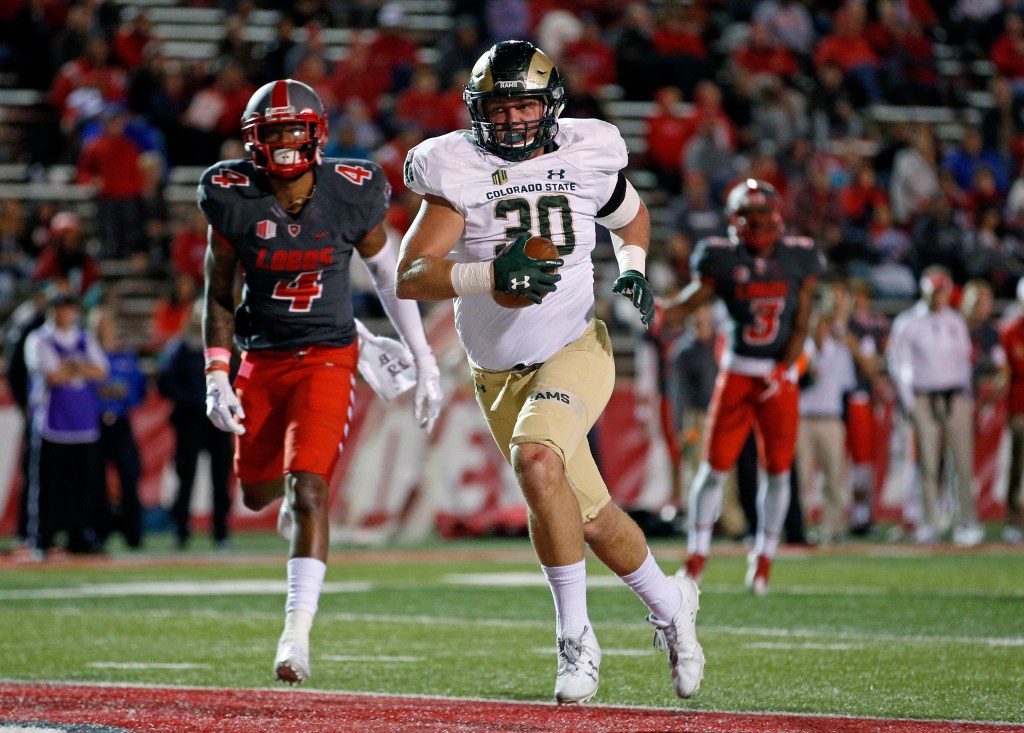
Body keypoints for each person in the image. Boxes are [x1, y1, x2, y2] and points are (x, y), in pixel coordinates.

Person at [395, 40, 704, 705]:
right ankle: (672, 603)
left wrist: (633, 267)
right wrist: (489, 273)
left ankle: (575, 638)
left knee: (537, 461)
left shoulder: (586, 154)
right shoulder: (458, 167)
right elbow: (412, 274)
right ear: (478, 111)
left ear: (551, 104)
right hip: (496, 373)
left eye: (525, 105)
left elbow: (632, 217)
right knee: (590, 516)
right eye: (499, 108)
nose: (511, 120)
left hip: (574, 347)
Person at [198, 78, 443, 686]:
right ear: (254, 140)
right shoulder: (231, 194)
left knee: (310, 490)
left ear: (316, 135)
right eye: (273, 131)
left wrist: (424, 358)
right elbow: (219, 292)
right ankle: (280, 498)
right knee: (257, 494)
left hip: (329, 354)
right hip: (261, 355)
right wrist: (217, 374)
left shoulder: (350, 191)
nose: (284, 142)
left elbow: (390, 276)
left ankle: (295, 635)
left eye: (293, 129)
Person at [660, 178, 823, 594]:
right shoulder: (721, 258)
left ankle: (764, 557)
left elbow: (801, 324)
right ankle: (697, 554)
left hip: (778, 377)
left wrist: (784, 369)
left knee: (779, 470)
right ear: (734, 220)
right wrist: (658, 309)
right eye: (749, 216)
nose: (758, 223)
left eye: (763, 214)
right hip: (737, 373)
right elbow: (689, 303)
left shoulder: (798, 258)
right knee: (713, 467)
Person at [886, 266, 981, 546]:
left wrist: (967, 397)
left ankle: (966, 522)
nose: (939, 297)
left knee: (962, 463)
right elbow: (900, 365)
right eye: (935, 291)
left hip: (955, 396)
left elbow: (964, 360)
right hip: (924, 397)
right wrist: (909, 402)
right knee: (928, 464)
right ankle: (928, 521)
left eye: (943, 291)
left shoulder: (955, 321)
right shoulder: (908, 322)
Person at [23, 292, 109, 559]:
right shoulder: (39, 339)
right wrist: (80, 367)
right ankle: (42, 537)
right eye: (59, 308)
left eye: (69, 308)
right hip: (52, 422)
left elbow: (102, 370)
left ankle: (79, 536)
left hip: (83, 423)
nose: (64, 313)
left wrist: (72, 367)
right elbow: (53, 375)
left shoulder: (84, 337)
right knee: (47, 485)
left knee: (82, 486)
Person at [157, 299, 234, 551]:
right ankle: (180, 530)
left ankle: (221, 532)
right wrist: (195, 401)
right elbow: (166, 382)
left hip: (217, 421)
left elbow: (235, 380)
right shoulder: (181, 347)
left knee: (220, 477)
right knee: (186, 476)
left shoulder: (224, 348)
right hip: (190, 420)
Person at [91, 304, 146, 549]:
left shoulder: (125, 356)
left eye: (107, 324)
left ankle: (133, 534)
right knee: (95, 479)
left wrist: (108, 390)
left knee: (130, 476)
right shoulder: (87, 355)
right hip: (94, 425)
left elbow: (134, 391)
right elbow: (91, 391)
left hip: (120, 422)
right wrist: (113, 390)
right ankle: (98, 532)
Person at [999, 276, 1024, 543]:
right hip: (1020, 404)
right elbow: (1008, 368)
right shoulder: (1011, 330)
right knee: (1017, 464)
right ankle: (1014, 519)